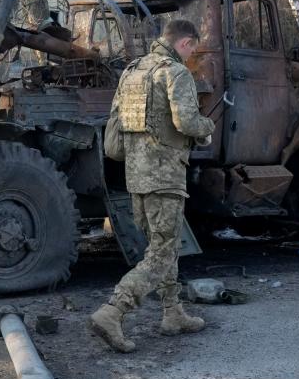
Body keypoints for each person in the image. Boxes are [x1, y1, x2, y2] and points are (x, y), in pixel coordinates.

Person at [89, 19, 215, 353]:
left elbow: (114, 138)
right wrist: (207, 125)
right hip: (166, 176)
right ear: (185, 43)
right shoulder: (175, 73)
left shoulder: (131, 72)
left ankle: (172, 313)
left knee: (163, 246)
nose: (193, 57)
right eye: (193, 50)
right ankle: (114, 310)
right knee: (162, 252)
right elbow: (187, 122)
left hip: (137, 178)